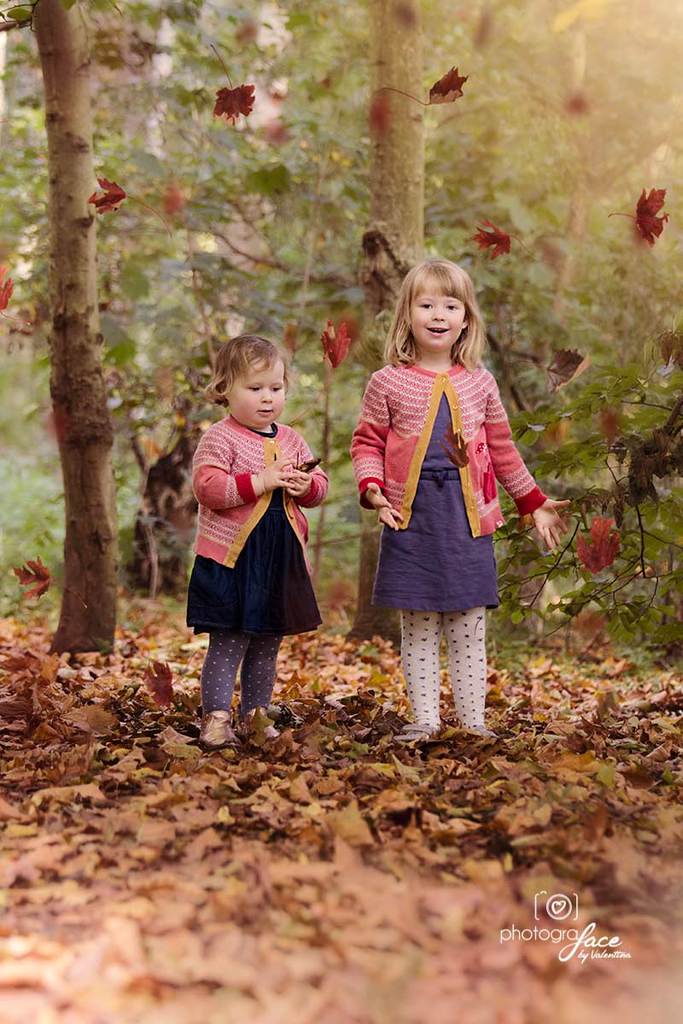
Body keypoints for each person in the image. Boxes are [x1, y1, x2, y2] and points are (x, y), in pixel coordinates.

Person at [350, 258, 570, 742]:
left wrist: (532, 502)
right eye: (425, 304)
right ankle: (424, 719)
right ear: (407, 314)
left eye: (450, 305)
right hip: (411, 515)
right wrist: (372, 489)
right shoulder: (386, 381)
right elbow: (366, 442)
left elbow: (503, 451)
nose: (438, 314)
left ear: (466, 318)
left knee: (468, 622)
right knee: (420, 621)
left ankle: (473, 724)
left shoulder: (480, 381)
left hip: (468, 517)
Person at [186, 334, 328, 751]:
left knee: (267, 640)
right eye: (254, 388)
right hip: (233, 558)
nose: (267, 398)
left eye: (276, 388)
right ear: (225, 389)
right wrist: (261, 481)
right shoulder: (219, 437)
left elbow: (319, 488)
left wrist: (306, 485)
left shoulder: (291, 439)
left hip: (278, 557)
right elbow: (208, 488)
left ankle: (256, 716)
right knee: (229, 638)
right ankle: (215, 718)